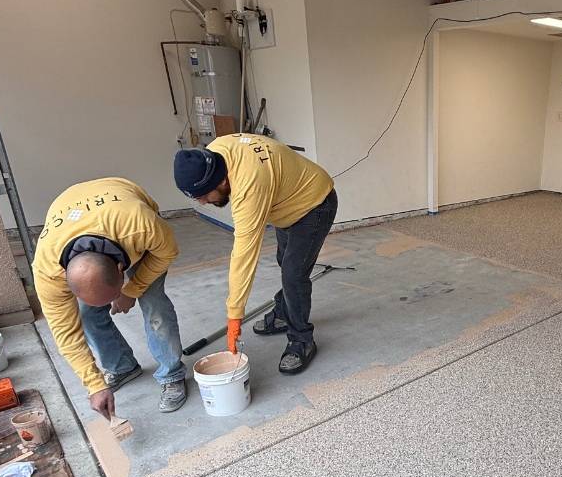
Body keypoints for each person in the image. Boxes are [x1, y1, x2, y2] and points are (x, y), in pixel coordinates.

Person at [173, 134, 336, 375]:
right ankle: (283, 312)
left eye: (205, 196)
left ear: (221, 182)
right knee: (286, 262)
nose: (204, 203)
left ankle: (301, 339)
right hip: (286, 203)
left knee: (294, 274)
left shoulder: (249, 186)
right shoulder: (215, 152)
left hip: (314, 203)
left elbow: (244, 256)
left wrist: (234, 316)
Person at [32, 178, 187, 418]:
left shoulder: (141, 226)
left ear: (119, 268)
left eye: (110, 295)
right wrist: (94, 384)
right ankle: (122, 366)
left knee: (154, 303)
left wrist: (131, 290)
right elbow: (66, 334)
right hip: (74, 210)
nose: (108, 304)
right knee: (86, 315)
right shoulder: (47, 272)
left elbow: (167, 252)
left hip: (126, 216)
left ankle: (172, 374)